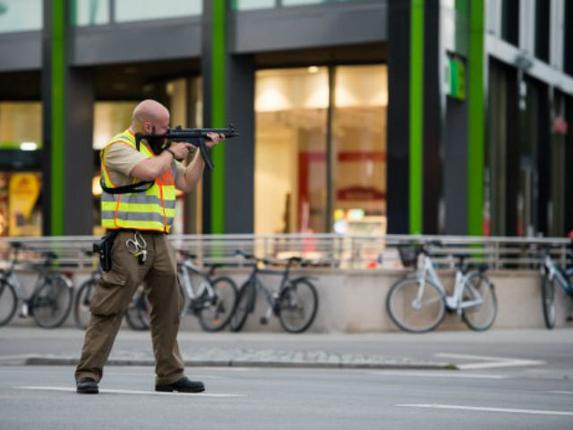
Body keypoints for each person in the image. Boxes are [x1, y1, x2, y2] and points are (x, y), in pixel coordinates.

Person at [75, 99, 225, 394]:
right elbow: (147, 172)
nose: (169, 131)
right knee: (110, 306)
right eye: (164, 126)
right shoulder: (119, 147)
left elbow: (187, 184)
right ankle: (88, 373)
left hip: (159, 238)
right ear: (147, 126)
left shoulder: (160, 152)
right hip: (128, 238)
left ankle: (170, 374)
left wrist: (202, 151)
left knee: (170, 307)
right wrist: (171, 151)